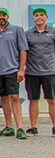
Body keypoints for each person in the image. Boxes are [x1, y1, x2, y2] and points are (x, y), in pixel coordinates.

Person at [0, 7, 29, 140]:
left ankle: (20, 128)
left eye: (4, 15)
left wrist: (21, 69)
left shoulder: (16, 30)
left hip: (11, 70)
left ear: (8, 17)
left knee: (14, 97)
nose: (1, 17)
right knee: (3, 98)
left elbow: (23, 50)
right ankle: (8, 126)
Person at [25, 8, 55, 137]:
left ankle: (54, 127)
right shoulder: (28, 34)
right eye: (36, 15)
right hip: (32, 72)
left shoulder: (52, 32)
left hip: (49, 71)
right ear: (33, 19)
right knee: (33, 99)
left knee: (51, 99)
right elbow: (23, 52)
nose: (39, 17)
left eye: (41, 15)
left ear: (47, 17)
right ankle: (33, 127)